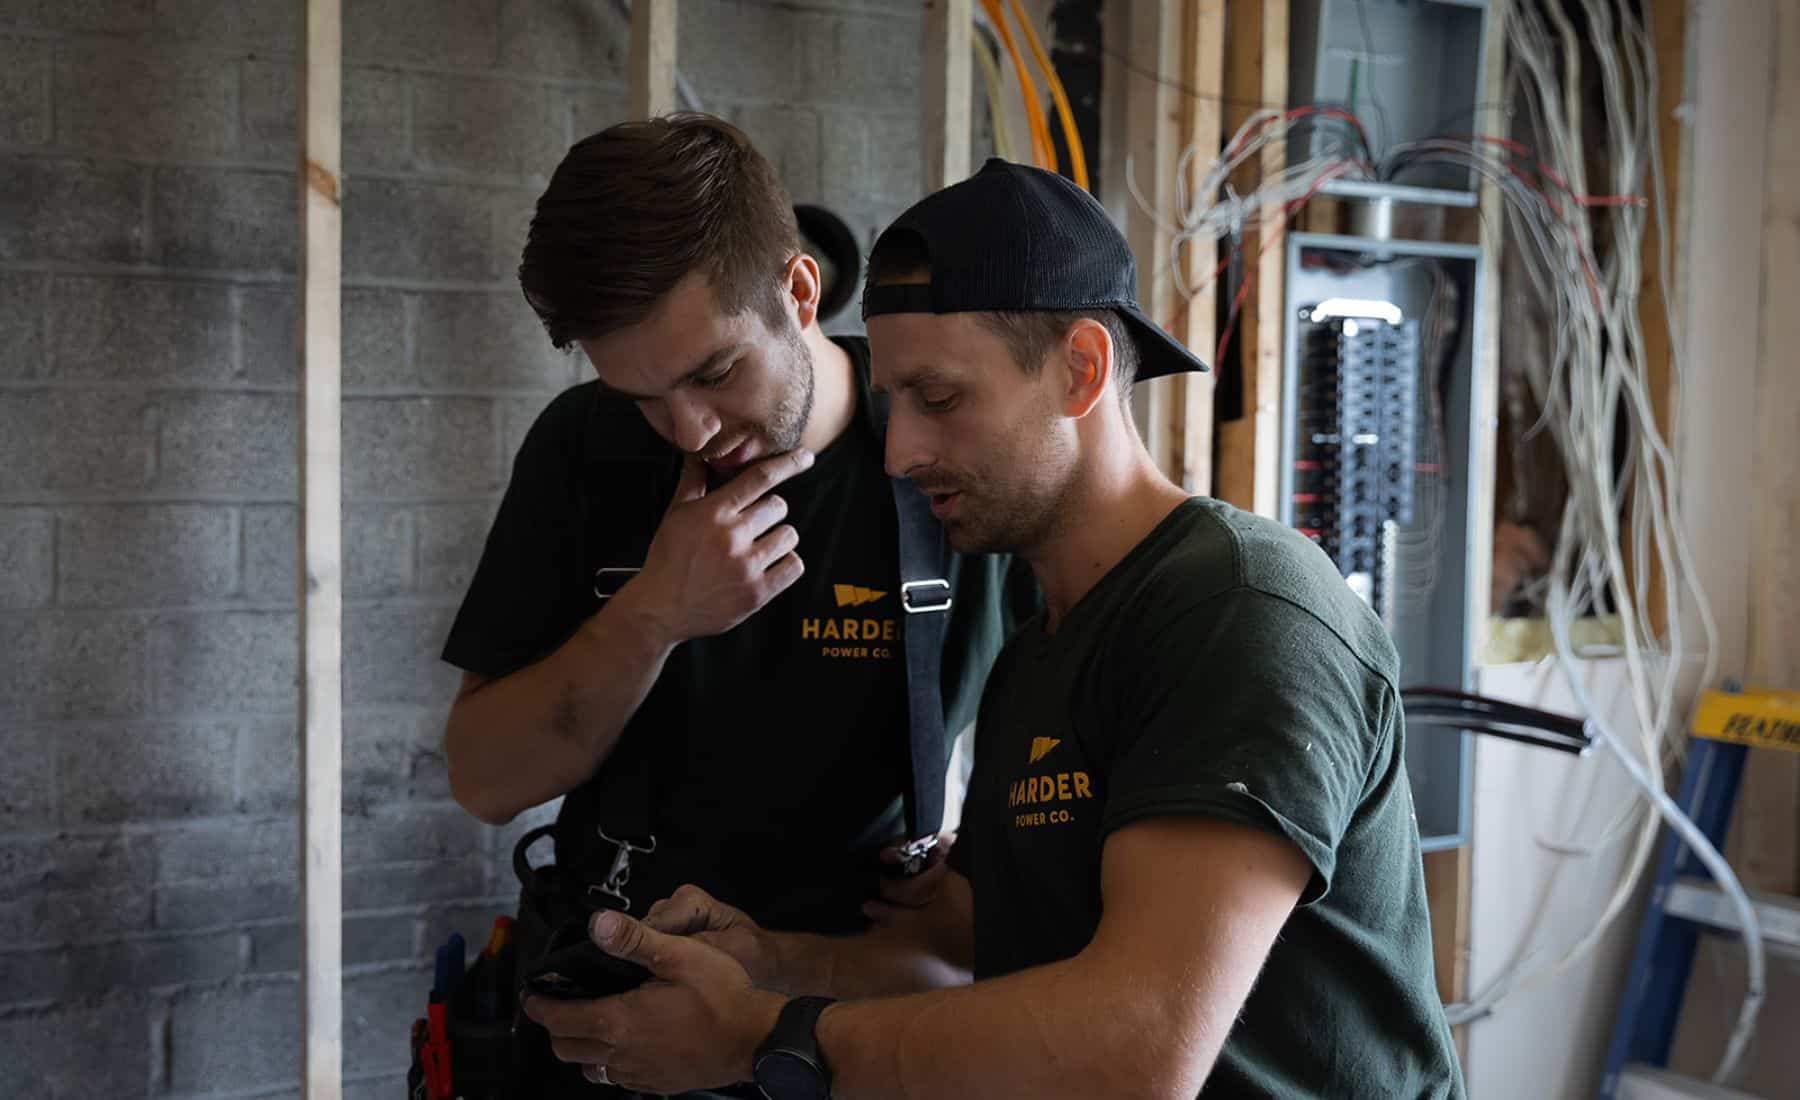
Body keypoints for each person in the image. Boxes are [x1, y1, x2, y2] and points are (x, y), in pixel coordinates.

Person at [522, 159, 1466, 1099]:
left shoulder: (1239, 614)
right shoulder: (1039, 655)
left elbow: (1138, 1051)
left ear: (1081, 370)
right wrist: (767, 959)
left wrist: (762, 1037)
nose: (898, 452)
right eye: (894, 406)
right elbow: (967, 961)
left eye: (940, 400)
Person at [440, 117, 1030, 1097]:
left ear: (800, 293)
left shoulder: (942, 458)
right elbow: (486, 777)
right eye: (641, 395)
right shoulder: (585, 452)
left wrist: (986, 882)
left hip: (859, 1023)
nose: (694, 431)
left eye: (716, 372)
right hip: (623, 1018)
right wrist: (654, 612)